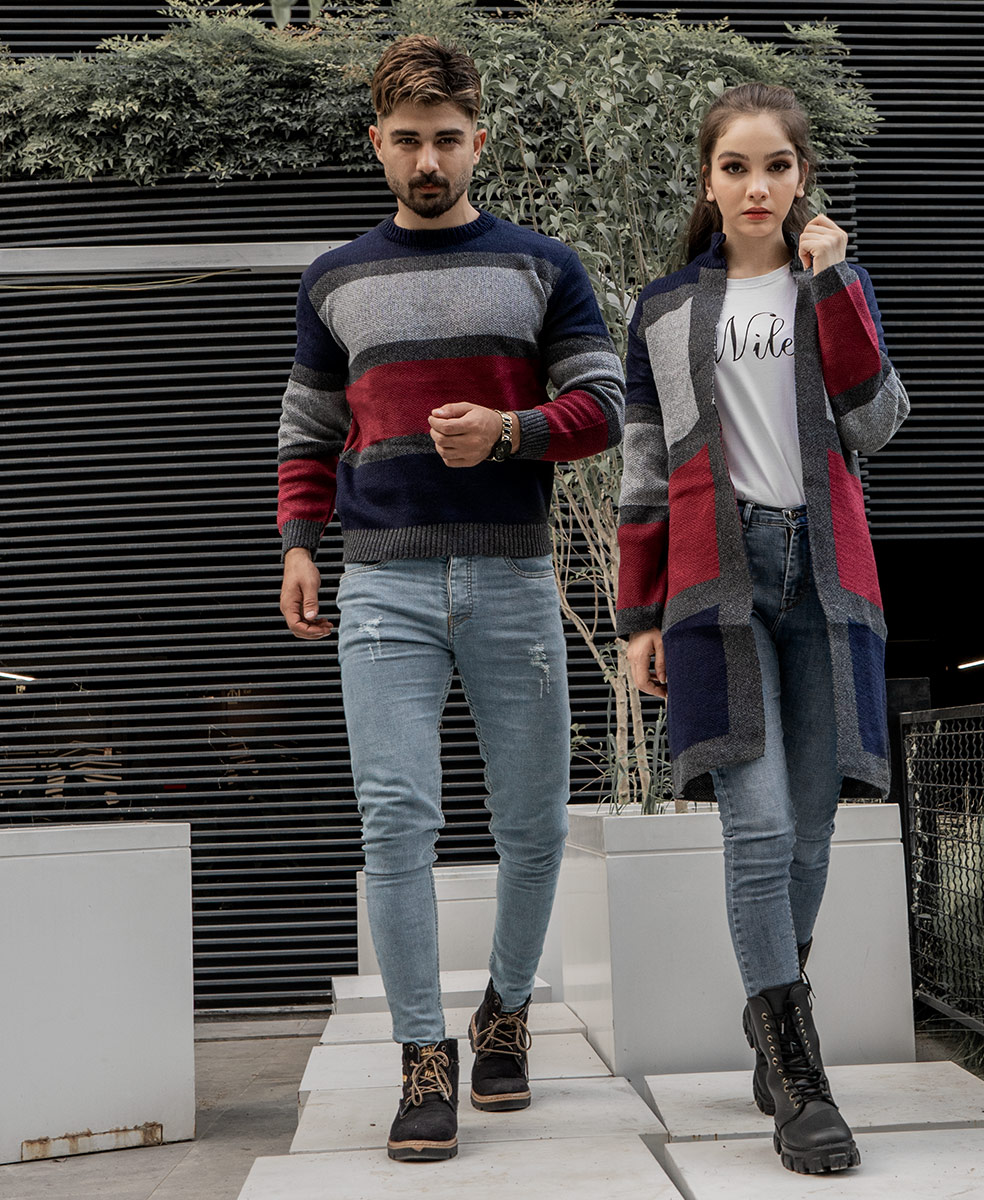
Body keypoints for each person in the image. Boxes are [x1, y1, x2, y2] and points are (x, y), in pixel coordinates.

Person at [276, 34, 624, 1163]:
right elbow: (309, 428)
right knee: (396, 823)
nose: (428, 160)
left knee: (533, 824)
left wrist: (510, 431)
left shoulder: (542, 266)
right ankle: (423, 1055)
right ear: (377, 144)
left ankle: (505, 1013)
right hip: (382, 584)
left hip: (512, 575)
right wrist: (297, 543)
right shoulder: (334, 279)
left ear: (480, 140)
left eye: (447, 139)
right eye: (408, 141)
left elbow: (605, 406)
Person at [616, 82, 909, 1175]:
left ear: (802, 177)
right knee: (758, 826)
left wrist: (831, 286)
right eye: (736, 167)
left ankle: (771, 1015)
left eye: (776, 166)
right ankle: (798, 1075)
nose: (756, 186)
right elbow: (645, 470)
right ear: (709, 179)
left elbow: (877, 423)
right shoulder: (662, 310)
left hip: (827, 582)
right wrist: (638, 614)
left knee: (812, 829)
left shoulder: (837, 285)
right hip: (715, 586)